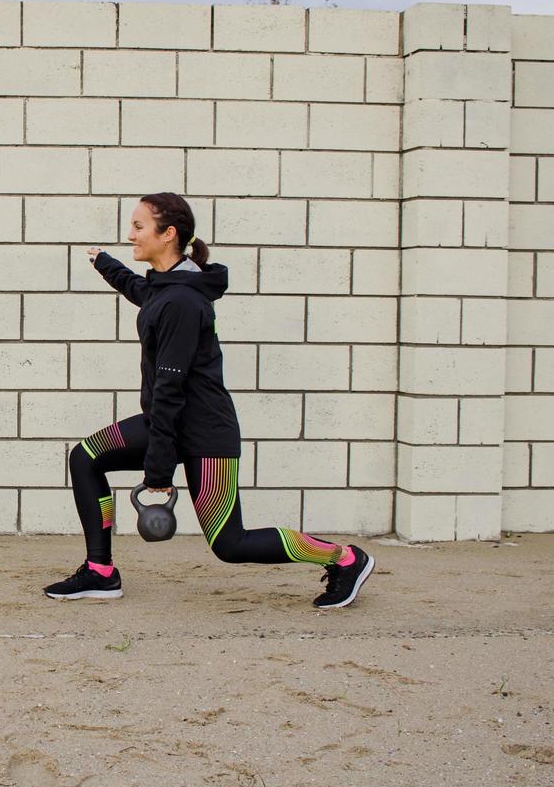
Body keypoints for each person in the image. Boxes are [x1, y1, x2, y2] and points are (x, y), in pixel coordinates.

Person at [43, 192, 374, 608]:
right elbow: (140, 291)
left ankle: (344, 558)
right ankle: (101, 571)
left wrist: (159, 469)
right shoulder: (168, 287)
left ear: (169, 234)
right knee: (86, 457)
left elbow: (169, 389)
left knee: (230, 543)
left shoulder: (181, 300)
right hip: (172, 422)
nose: (131, 234)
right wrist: (106, 263)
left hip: (202, 432)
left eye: (139, 227)